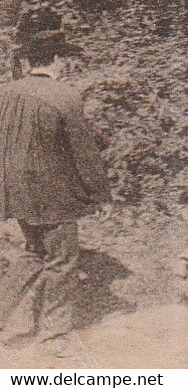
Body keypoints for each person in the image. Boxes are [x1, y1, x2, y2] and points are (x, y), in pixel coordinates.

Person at [0, 19, 110, 355]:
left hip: (15, 190)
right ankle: (55, 334)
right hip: (52, 194)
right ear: (59, 60)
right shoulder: (65, 95)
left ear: (30, 61)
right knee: (62, 259)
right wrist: (100, 193)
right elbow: (83, 152)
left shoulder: (6, 91)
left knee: (34, 253)